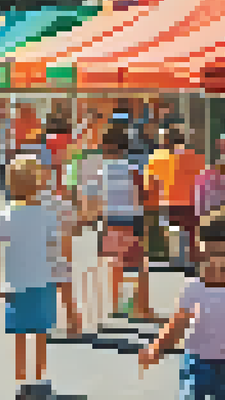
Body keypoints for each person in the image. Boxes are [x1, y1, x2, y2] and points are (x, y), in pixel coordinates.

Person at [140, 205, 225, 400]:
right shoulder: (194, 286)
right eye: (211, 245)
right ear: (201, 246)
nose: (216, 252)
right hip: (197, 361)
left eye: (224, 247)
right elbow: (178, 323)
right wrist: (157, 347)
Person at [0, 156, 66, 398]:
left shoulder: (5, 214)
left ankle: (21, 380)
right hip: (43, 280)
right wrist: (60, 277)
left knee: (20, 333)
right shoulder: (47, 215)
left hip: (16, 282)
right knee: (41, 332)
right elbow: (54, 250)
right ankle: (40, 377)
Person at [98, 120, 153, 320]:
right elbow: (144, 194)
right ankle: (141, 307)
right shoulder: (134, 169)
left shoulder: (101, 171)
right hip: (132, 219)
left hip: (110, 220)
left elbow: (97, 199)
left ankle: (115, 305)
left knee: (115, 264)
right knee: (140, 264)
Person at [147, 124, 207, 268]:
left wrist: (151, 205)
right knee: (191, 235)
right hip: (191, 203)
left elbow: (151, 183)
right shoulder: (194, 157)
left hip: (167, 203)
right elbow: (203, 180)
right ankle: (191, 263)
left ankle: (178, 262)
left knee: (173, 234)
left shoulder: (157, 158)